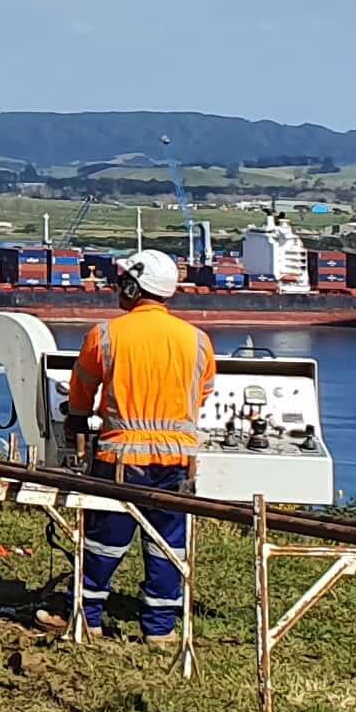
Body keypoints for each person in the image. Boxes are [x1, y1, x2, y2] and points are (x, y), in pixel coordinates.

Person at [62, 249, 216, 640]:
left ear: (133, 285)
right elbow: (201, 394)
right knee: (167, 544)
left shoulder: (107, 335)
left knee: (105, 541)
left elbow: (82, 386)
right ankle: (160, 630)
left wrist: (77, 418)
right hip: (179, 461)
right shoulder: (197, 340)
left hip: (121, 460)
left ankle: (88, 618)